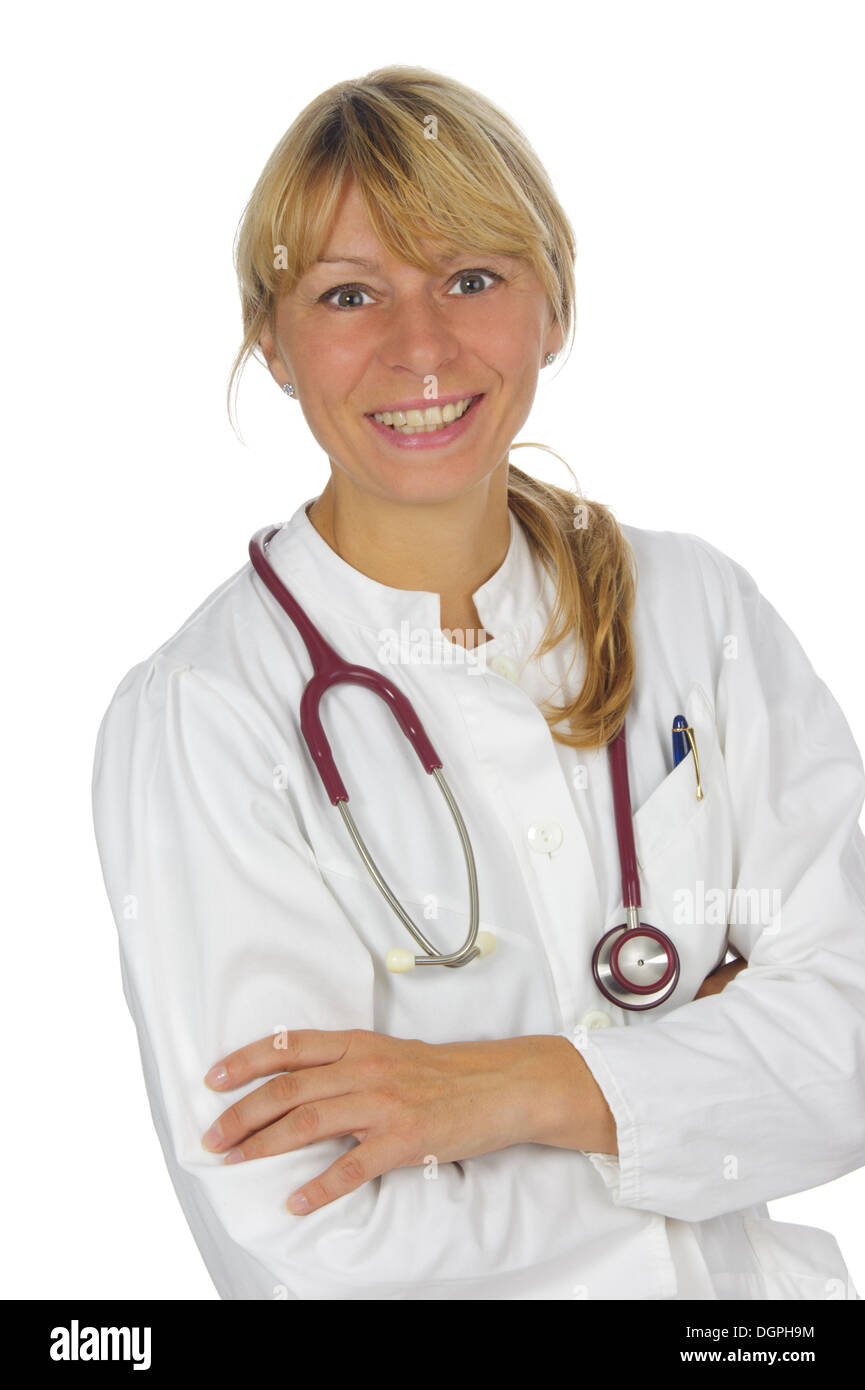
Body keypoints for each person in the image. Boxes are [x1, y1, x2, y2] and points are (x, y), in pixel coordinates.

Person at [91, 64, 865, 1300]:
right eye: (350, 294)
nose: (422, 346)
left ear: (553, 307)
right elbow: (313, 1227)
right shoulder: (207, 714)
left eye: (470, 279)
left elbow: (855, 1046)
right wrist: (704, 1081)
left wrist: (505, 1090)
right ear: (273, 345)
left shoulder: (698, 612)